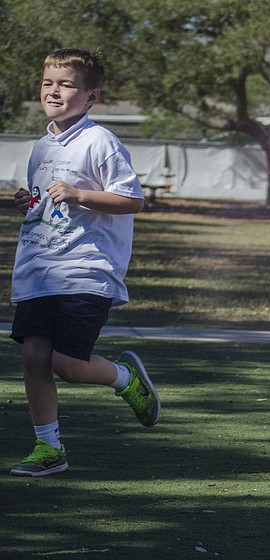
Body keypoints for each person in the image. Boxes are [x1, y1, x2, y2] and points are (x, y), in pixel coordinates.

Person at [9, 48, 160, 477]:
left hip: (86, 269)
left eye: (66, 84)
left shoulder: (100, 142)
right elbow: (49, 202)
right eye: (48, 83)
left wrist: (80, 194)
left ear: (92, 96)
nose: (54, 91)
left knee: (69, 365)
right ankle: (48, 447)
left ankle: (124, 377)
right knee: (34, 357)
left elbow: (132, 200)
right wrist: (30, 203)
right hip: (38, 268)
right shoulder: (41, 146)